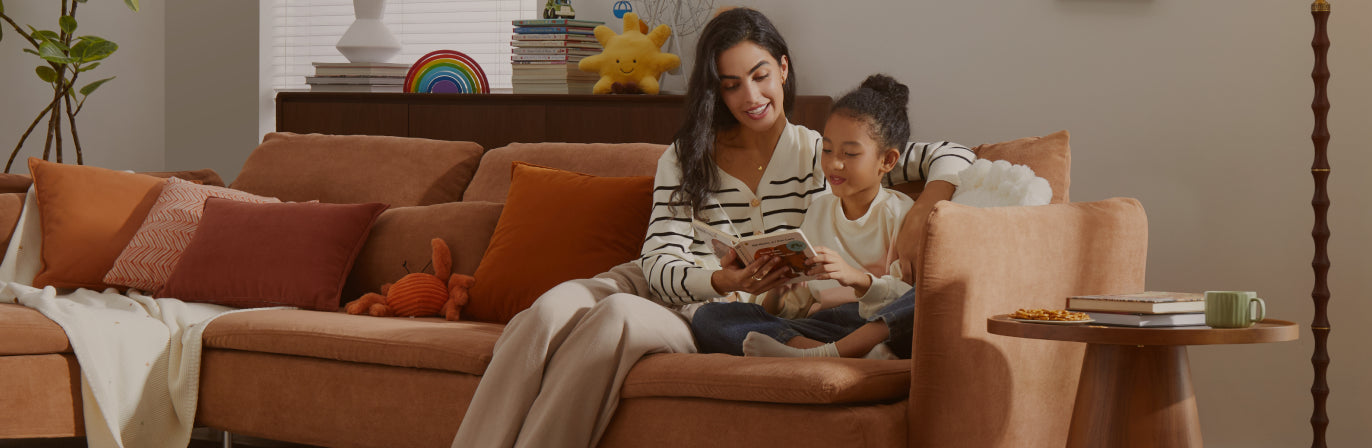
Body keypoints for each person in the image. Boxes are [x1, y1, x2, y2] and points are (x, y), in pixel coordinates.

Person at [451, 8, 973, 448]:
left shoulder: (826, 153)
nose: (751, 96)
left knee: (613, 319)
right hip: (660, 281)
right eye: (731, 84)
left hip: (709, 311)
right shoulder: (685, 157)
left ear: (784, 69)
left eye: (761, 74)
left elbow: (955, 154)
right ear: (716, 91)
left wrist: (927, 207)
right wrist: (722, 278)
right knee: (543, 313)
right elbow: (657, 267)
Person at [691, 74, 933, 359]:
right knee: (710, 316)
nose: (834, 163)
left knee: (928, 297)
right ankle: (813, 352)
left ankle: (829, 355)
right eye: (827, 149)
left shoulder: (899, 214)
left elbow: (904, 295)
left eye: (850, 153)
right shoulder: (819, 209)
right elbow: (801, 304)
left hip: (872, 323)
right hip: (821, 326)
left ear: (887, 161)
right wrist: (779, 292)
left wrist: (854, 278)